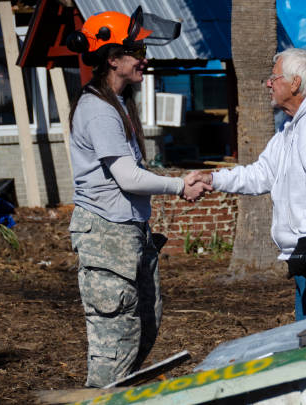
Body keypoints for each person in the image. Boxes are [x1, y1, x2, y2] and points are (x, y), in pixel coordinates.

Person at [65, 7, 211, 387]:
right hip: (105, 236)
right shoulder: (98, 110)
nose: (144, 59)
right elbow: (128, 177)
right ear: (113, 60)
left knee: (145, 322)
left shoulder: (118, 104)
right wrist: (180, 186)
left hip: (129, 234)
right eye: (136, 52)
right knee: (115, 341)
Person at [189, 48, 306, 321]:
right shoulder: (293, 126)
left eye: (274, 77)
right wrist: (213, 179)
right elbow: (260, 173)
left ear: (295, 83)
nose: (268, 83)